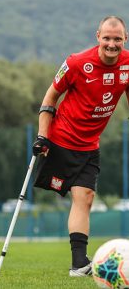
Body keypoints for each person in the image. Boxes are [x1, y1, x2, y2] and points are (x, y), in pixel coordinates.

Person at [32, 16, 129, 277]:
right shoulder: (76, 62)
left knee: (84, 197)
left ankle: (78, 264)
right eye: (107, 38)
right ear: (98, 36)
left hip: (90, 145)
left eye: (117, 39)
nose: (111, 44)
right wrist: (42, 136)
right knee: (70, 195)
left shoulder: (128, 64)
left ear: (125, 39)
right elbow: (50, 96)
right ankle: (79, 260)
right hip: (62, 141)